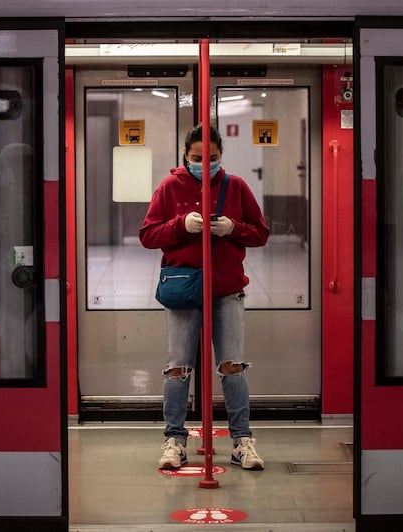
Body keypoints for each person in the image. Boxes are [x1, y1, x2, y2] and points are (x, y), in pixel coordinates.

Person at [139, 124, 269, 470]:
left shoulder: (236, 187)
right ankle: (174, 441)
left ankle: (242, 441)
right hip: (184, 287)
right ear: (185, 155)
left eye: (211, 158)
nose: (204, 163)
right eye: (197, 158)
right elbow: (148, 235)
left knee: (233, 367)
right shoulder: (169, 187)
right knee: (178, 368)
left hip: (226, 289)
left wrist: (233, 228)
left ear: (221, 156)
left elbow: (260, 233)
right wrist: (181, 225)